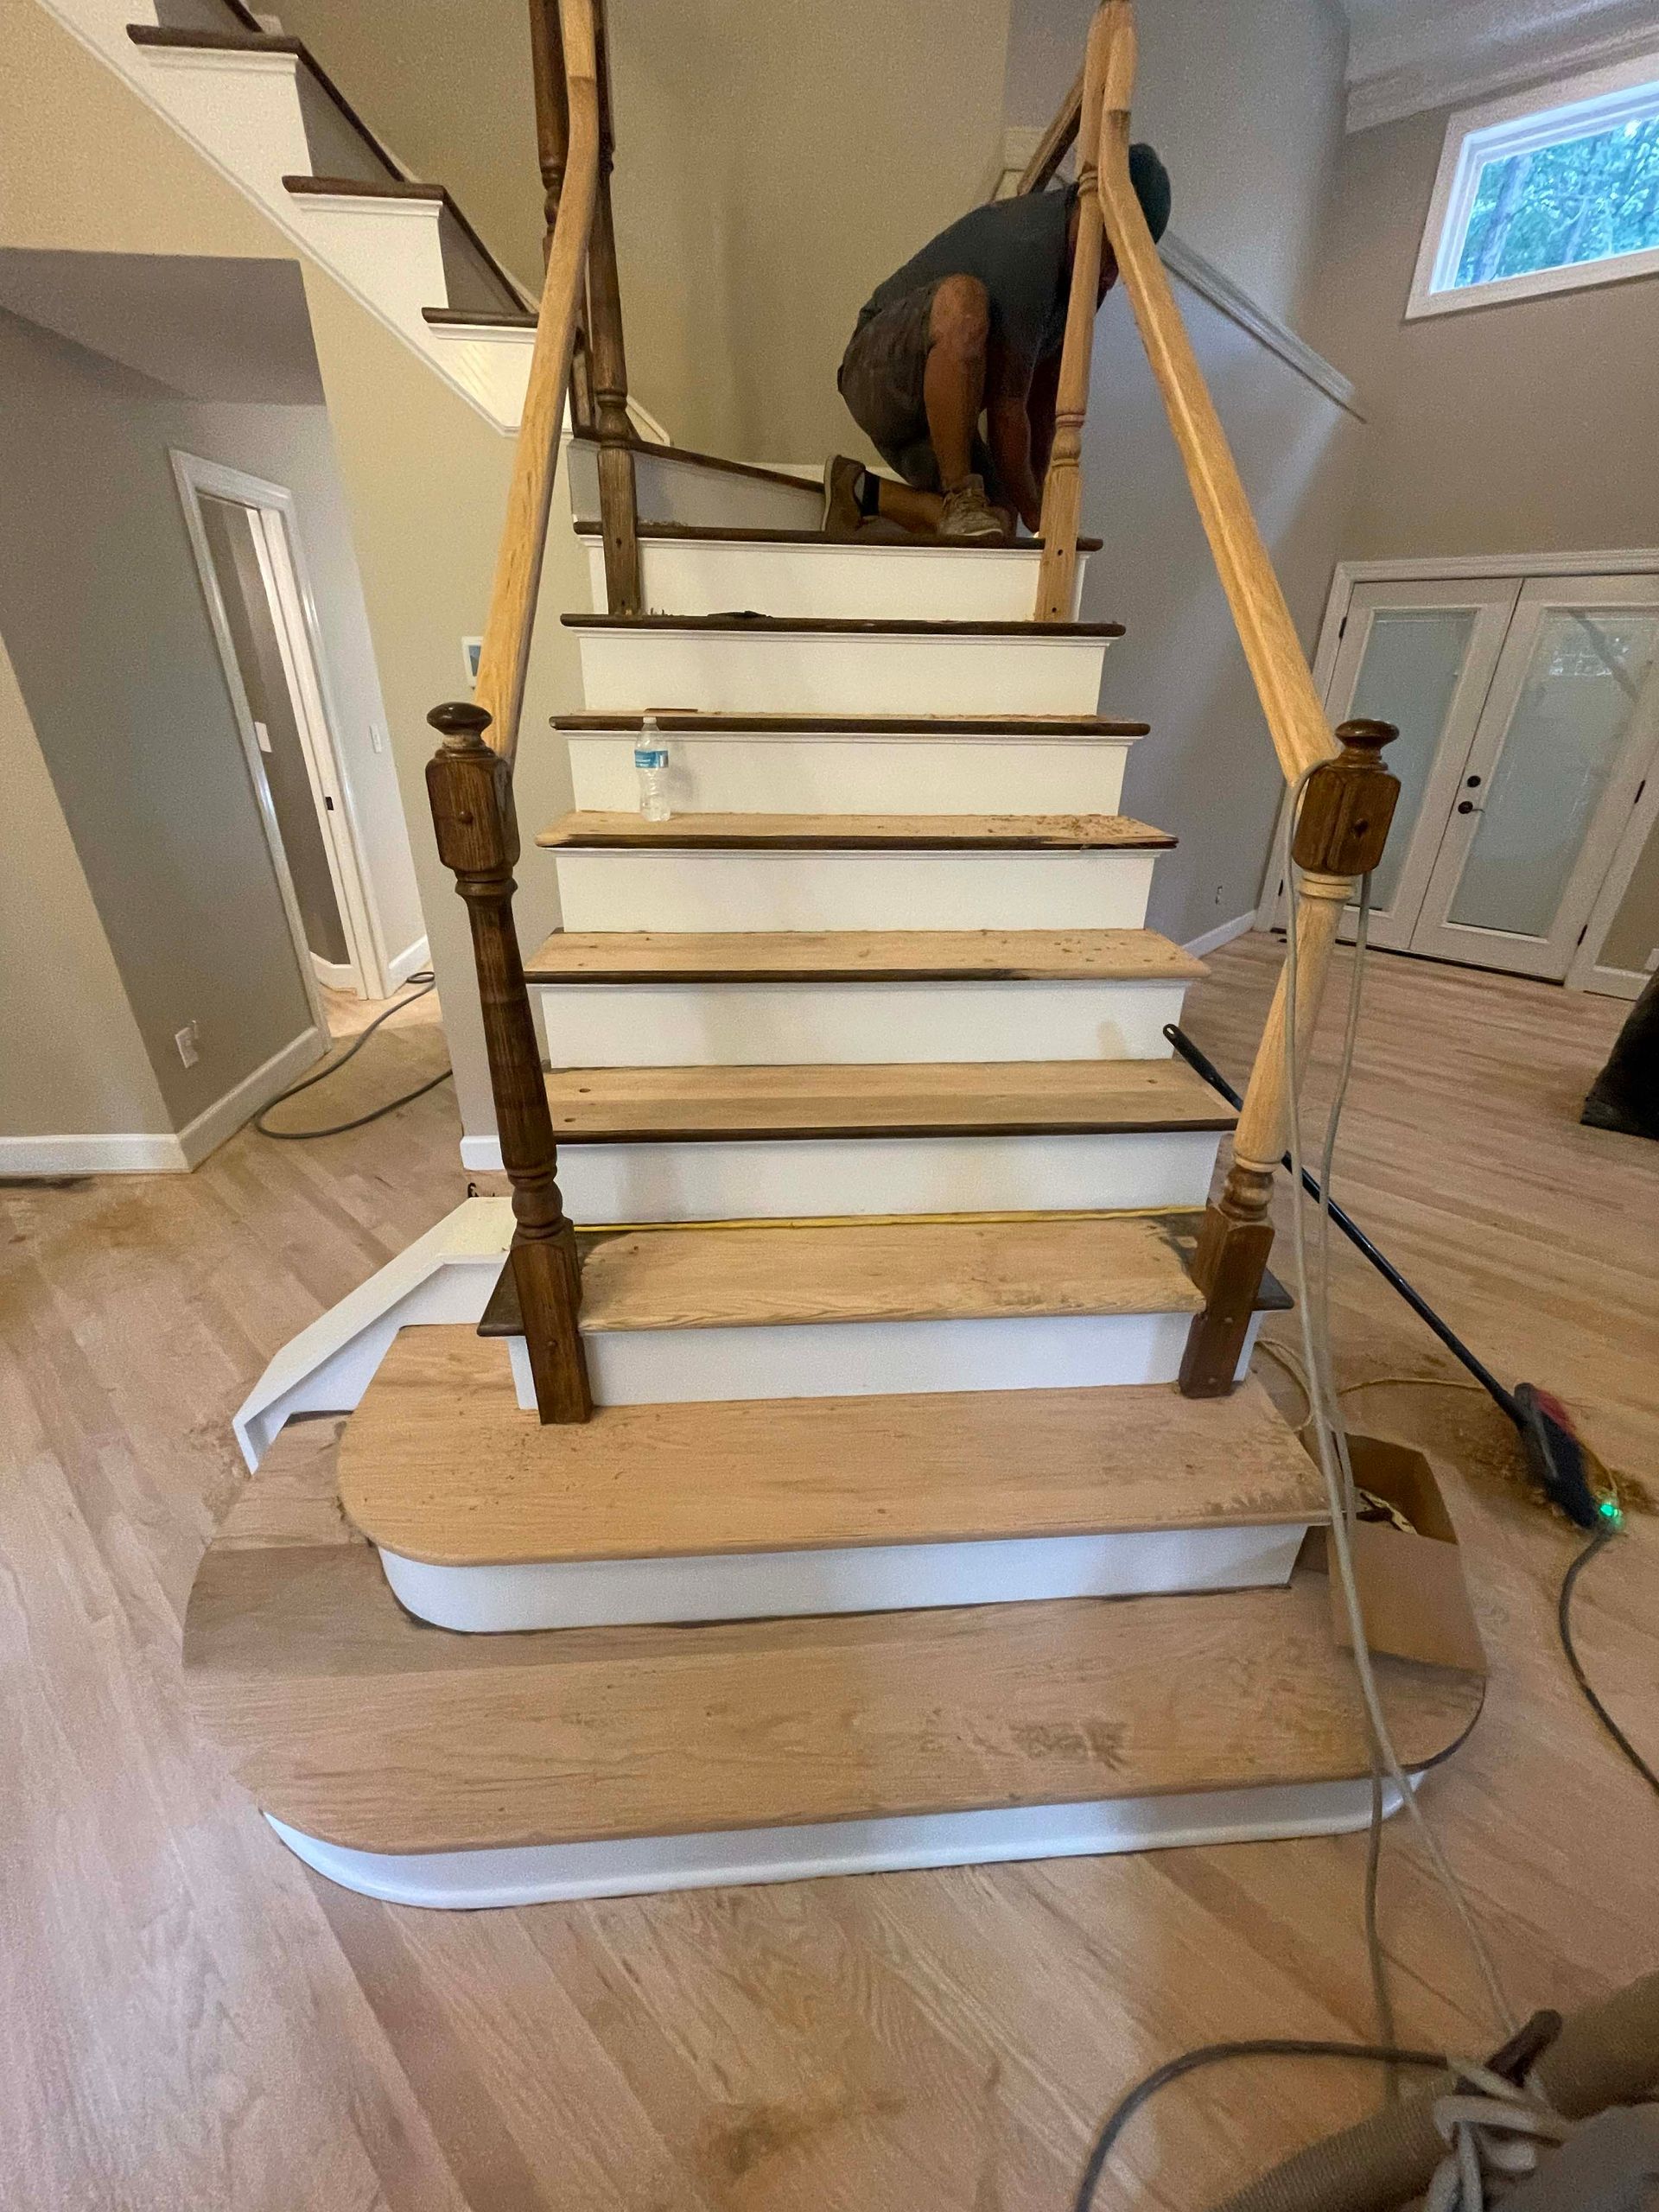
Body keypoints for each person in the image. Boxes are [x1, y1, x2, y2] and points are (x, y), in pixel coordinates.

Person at [825, 145, 1171, 544]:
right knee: (963, 303)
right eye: (1110, 249)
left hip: (936, 411)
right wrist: (1038, 516)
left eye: (1122, 265)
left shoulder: (1084, 279)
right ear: (1087, 210)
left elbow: (1043, 401)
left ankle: (858, 491)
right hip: (875, 373)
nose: (1110, 275)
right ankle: (960, 499)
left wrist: (1037, 509)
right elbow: (1009, 412)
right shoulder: (1029, 248)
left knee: (998, 524)